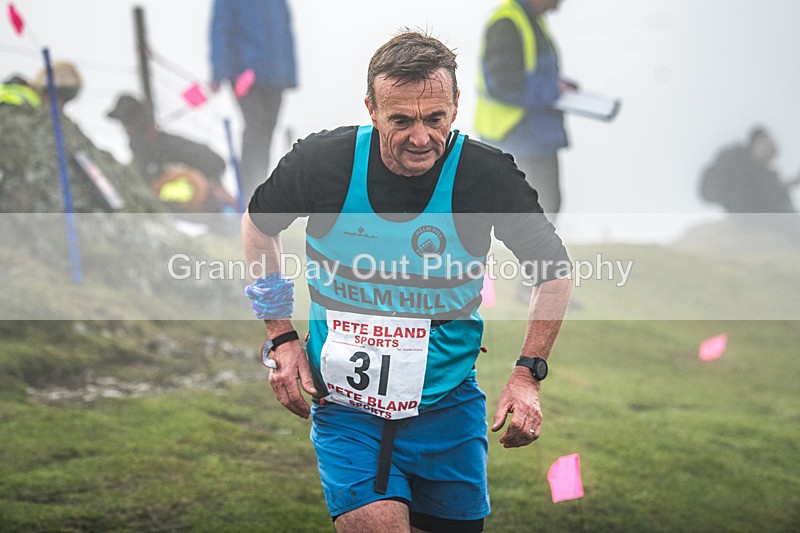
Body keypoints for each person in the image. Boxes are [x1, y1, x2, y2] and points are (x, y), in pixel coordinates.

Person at [242, 31, 572, 531]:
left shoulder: (485, 175)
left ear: (456, 107)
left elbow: (554, 272)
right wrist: (281, 337)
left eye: (434, 118)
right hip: (349, 412)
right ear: (371, 108)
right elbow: (258, 227)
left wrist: (528, 372)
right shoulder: (323, 163)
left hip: (449, 408)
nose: (421, 138)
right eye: (401, 120)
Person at [475, 0, 573, 219]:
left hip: (536, 138)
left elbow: (533, 72)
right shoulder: (506, 22)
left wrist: (560, 86)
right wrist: (554, 90)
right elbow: (504, 84)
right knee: (533, 214)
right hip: (515, 140)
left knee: (546, 208)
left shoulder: (531, 19)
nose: (558, 7)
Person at [210, 0, 297, 197]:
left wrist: (288, 75)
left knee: (267, 130)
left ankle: (259, 193)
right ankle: (248, 194)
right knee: (255, 129)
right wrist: (218, 72)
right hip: (243, 75)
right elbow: (221, 28)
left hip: (275, 76)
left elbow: (284, 30)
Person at [106, 94, 234, 213]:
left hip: (201, 184)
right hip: (205, 177)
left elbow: (145, 176)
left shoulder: (143, 142)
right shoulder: (150, 139)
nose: (125, 129)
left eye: (125, 122)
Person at [700, 126, 799, 214]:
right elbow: (751, 194)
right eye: (766, 145)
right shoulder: (737, 159)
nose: (767, 153)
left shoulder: (766, 173)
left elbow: (771, 193)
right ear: (756, 143)